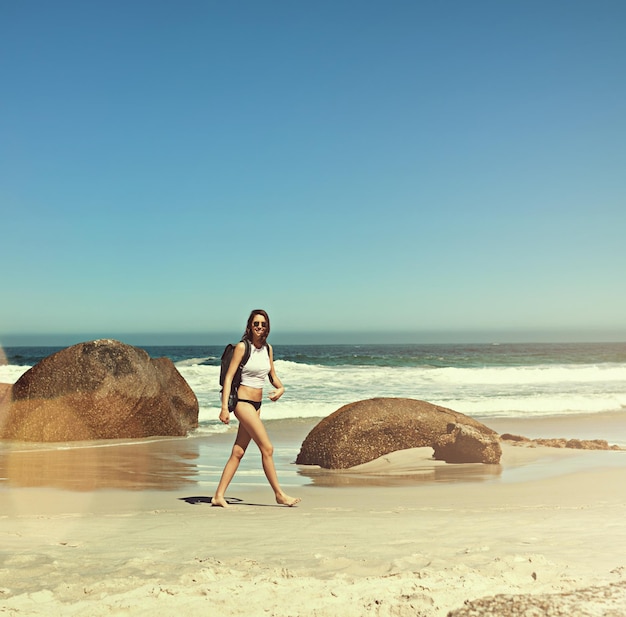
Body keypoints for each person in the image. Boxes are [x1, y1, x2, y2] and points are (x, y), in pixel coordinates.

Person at [212, 309, 301, 508]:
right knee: (267, 448)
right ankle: (279, 494)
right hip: (242, 403)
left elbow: (272, 376)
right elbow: (228, 378)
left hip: (257, 405)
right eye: (256, 324)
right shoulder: (243, 348)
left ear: (267, 327)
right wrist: (224, 408)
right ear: (249, 326)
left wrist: (281, 388)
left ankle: (218, 496)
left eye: (263, 324)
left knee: (238, 452)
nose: (259, 327)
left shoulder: (268, 349)